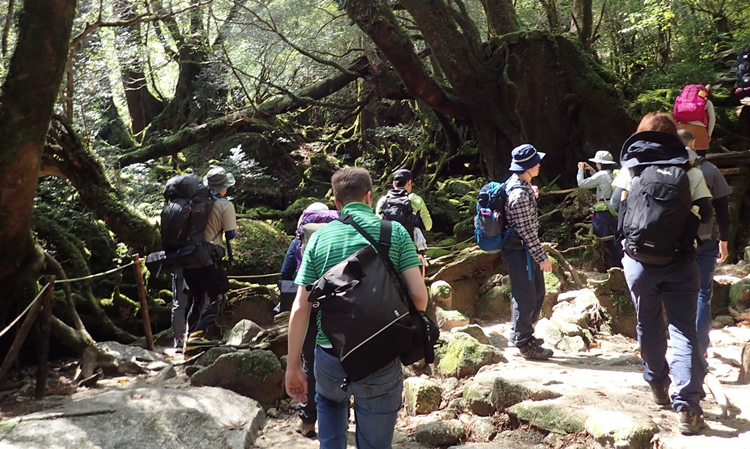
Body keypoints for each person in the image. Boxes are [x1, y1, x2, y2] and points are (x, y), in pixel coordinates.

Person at [285, 167, 428, 449]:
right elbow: (420, 298)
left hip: (330, 356)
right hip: (381, 354)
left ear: (337, 203)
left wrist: (293, 366)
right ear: (369, 196)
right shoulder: (394, 232)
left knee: (330, 419)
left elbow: (301, 307)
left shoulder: (319, 239)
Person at [612, 112, 712, 435]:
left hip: (639, 263)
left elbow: (617, 204)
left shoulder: (632, 168)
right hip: (680, 261)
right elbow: (707, 213)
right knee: (683, 330)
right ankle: (688, 408)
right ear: (672, 136)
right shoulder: (690, 170)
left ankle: (657, 384)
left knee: (648, 322)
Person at [278, 201, 333, 437]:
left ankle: (307, 420)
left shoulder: (299, 241)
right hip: (339, 306)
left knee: (310, 362)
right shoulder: (337, 232)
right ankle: (340, 414)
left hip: (310, 308)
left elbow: (285, 273)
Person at [678, 129, 732, 365]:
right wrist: (725, 241)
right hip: (705, 239)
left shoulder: (664, 169)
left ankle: (680, 346)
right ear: (694, 143)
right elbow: (722, 210)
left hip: (674, 242)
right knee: (702, 294)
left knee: (676, 293)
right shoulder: (709, 170)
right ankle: (699, 349)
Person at [504, 144, 554, 360]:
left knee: (535, 292)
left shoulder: (519, 185)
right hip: (521, 251)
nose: (540, 165)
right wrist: (542, 257)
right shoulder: (519, 195)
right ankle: (525, 344)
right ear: (527, 167)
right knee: (527, 297)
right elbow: (526, 232)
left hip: (521, 251)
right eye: (536, 163)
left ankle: (520, 333)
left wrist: (530, 189)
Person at [183, 167, 237, 356]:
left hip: (187, 255)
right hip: (209, 256)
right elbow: (231, 234)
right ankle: (198, 335)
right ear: (223, 188)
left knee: (196, 299)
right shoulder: (225, 205)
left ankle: (188, 338)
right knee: (219, 296)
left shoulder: (193, 202)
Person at [576, 150, 623, 268]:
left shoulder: (601, 175)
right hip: (613, 211)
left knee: (609, 243)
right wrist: (592, 171)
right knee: (616, 240)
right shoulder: (613, 173)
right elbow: (602, 183)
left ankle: (620, 267)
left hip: (603, 214)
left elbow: (582, 184)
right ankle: (623, 265)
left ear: (601, 164)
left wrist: (580, 169)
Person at [375, 168, 433, 255]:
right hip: (411, 249)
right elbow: (428, 225)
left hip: (388, 249)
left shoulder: (383, 201)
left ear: (394, 183)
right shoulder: (415, 199)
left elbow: (377, 224)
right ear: (409, 182)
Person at [675, 85, 715, 152]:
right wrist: (709, 135)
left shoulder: (680, 101)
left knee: (681, 154)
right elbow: (712, 119)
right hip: (699, 129)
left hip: (681, 128)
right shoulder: (707, 102)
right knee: (700, 157)